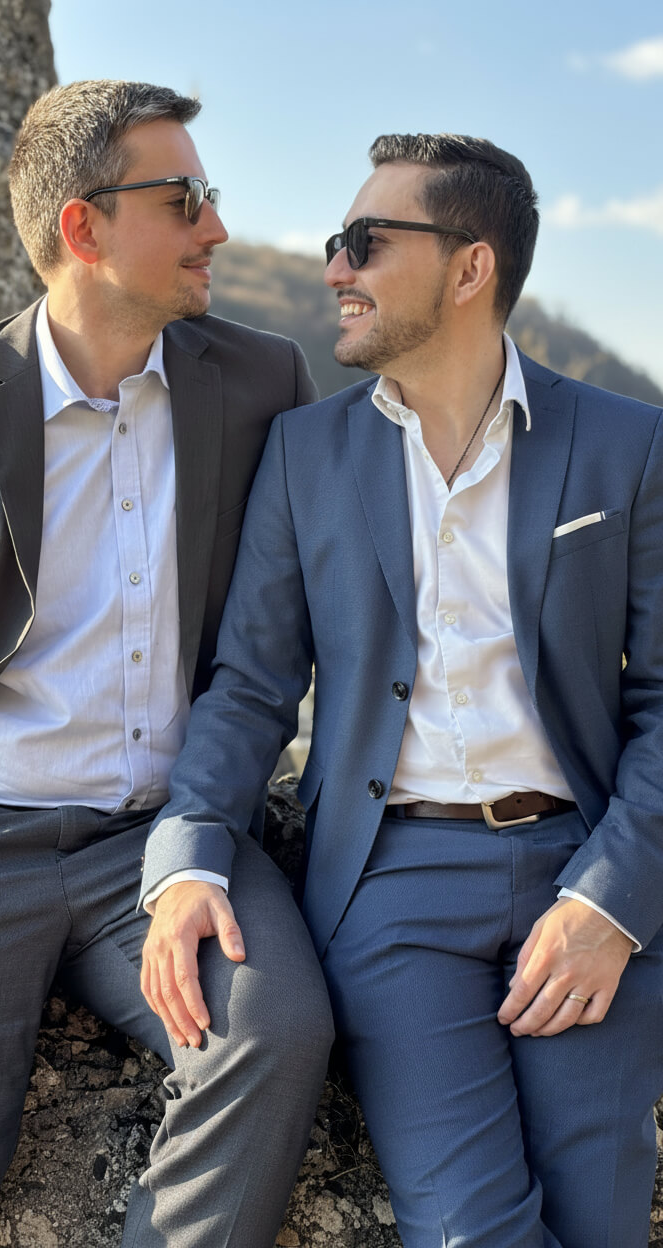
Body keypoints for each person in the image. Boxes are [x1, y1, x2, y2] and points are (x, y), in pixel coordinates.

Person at [0, 78, 334, 1248]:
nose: (215, 224)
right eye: (185, 197)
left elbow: (277, 642)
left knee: (270, 1036)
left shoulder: (263, 386)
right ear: (82, 227)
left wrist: (199, 840)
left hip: (157, 839)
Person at [141, 133, 663, 1247]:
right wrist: (187, 852)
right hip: (391, 885)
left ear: (470, 268)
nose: (337, 268)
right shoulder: (303, 454)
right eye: (338, 243)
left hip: (584, 867)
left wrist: (614, 899)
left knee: (602, 1221)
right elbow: (248, 689)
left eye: (366, 243)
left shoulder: (629, 445)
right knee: (469, 1232)